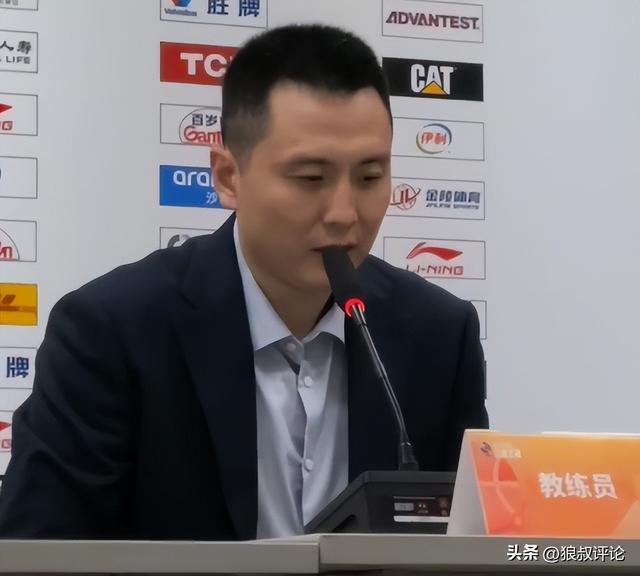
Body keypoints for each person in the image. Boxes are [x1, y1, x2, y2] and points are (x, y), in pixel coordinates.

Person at [0, 24, 488, 540]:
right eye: (311, 178)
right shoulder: (111, 331)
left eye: (370, 177)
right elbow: (38, 548)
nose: (345, 213)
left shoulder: (438, 334)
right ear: (228, 176)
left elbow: (472, 544)